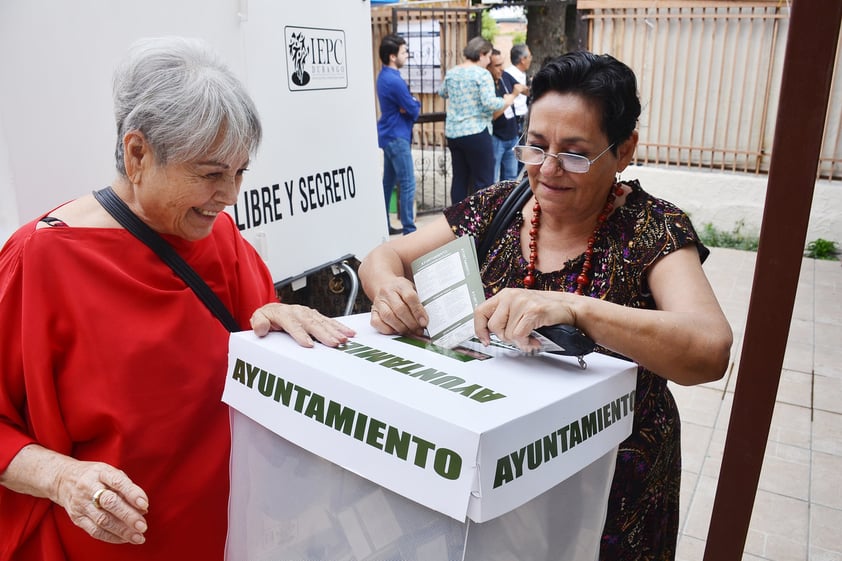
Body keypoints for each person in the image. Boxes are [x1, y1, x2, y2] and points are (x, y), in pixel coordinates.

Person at [359, 51, 733, 560]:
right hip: (505, 484)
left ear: (624, 151)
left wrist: (577, 308)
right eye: (535, 148)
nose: (550, 170)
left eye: (576, 154)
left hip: (615, 493)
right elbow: (383, 256)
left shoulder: (652, 231)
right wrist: (386, 287)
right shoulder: (496, 207)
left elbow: (710, 349)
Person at [0, 36, 355, 561]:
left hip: (231, 538)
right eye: (211, 175)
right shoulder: (39, 260)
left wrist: (277, 326)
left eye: (239, 174)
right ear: (137, 152)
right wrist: (61, 477)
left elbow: (254, 363)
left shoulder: (219, 239)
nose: (231, 196)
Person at [439, 37, 525, 204]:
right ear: (481, 54)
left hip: (454, 133)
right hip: (477, 132)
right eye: (488, 56)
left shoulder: (453, 72)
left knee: (460, 178)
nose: (488, 61)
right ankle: (481, 223)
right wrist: (510, 98)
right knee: (483, 181)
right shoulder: (482, 74)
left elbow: (442, 92)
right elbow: (489, 103)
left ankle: (457, 221)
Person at [376, 33, 421, 236]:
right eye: (403, 51)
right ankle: (409, 229)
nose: (406, 55)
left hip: (389, 134)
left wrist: (409, 104)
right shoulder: (394, 81)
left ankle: (384, 224)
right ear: (393, 56)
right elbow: (413, 109)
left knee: (388, 183)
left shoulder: (384, 76)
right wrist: (413, 103)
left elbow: (408, 107)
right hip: (397, 136)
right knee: (407, 182)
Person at [489, 49, 522, 182]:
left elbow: (522, 88)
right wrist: (512, 96)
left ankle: (507, 203)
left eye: (502, 64)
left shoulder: (505, 76)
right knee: (493, 180)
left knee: (511, 179)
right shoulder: (486, 84)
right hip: (497, 138)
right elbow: (494, 115)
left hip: (512, 136)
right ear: (488, 66)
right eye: (497, 65)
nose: (501, 68)